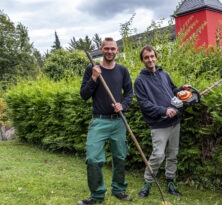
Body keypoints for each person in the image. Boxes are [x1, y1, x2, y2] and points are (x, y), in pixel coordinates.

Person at [78, 37, 133, 205]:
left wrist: (122, 105)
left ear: (117, 51)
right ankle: (97, 195)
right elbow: (84, 95)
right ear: (101, 50)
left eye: (113, 49)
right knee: (93, 159)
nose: (110, 51)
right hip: (99, 121)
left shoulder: (122, 71)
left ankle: (119, 189)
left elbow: (129, 93)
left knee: (120, 157)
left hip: (118, 122)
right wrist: (94, 78)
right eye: (106, 48)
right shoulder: (92, 69)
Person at [134, 45, 184, 198]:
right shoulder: (140, 81)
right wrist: (164, 110)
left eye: (152, 56)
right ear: (142, 60)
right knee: (158, 155)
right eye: (146, 57)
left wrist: (182, 90)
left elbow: (173, 90)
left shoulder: (164, 74)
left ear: (156, 57)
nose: (150, 59)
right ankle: (147, 183)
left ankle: (170, 181)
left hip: (175, 121)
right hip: (159, 124)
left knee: (173, 154)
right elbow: (144, 104)